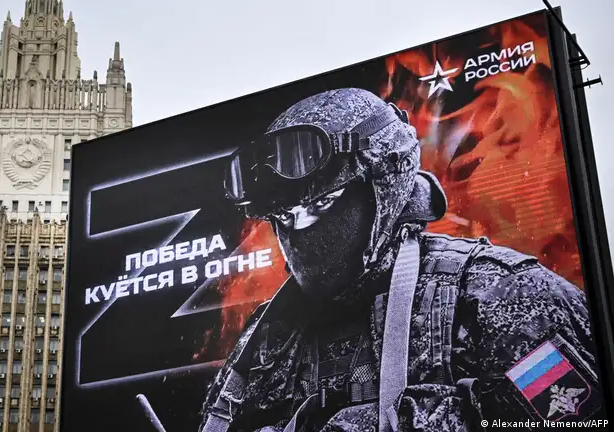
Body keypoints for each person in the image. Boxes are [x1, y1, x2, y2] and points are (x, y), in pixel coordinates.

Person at [198, 88, 605, 432]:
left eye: (321, 204)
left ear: (383, 188)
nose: (299, 231)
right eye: (285, 217)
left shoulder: (500, 294)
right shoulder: (265, 341)